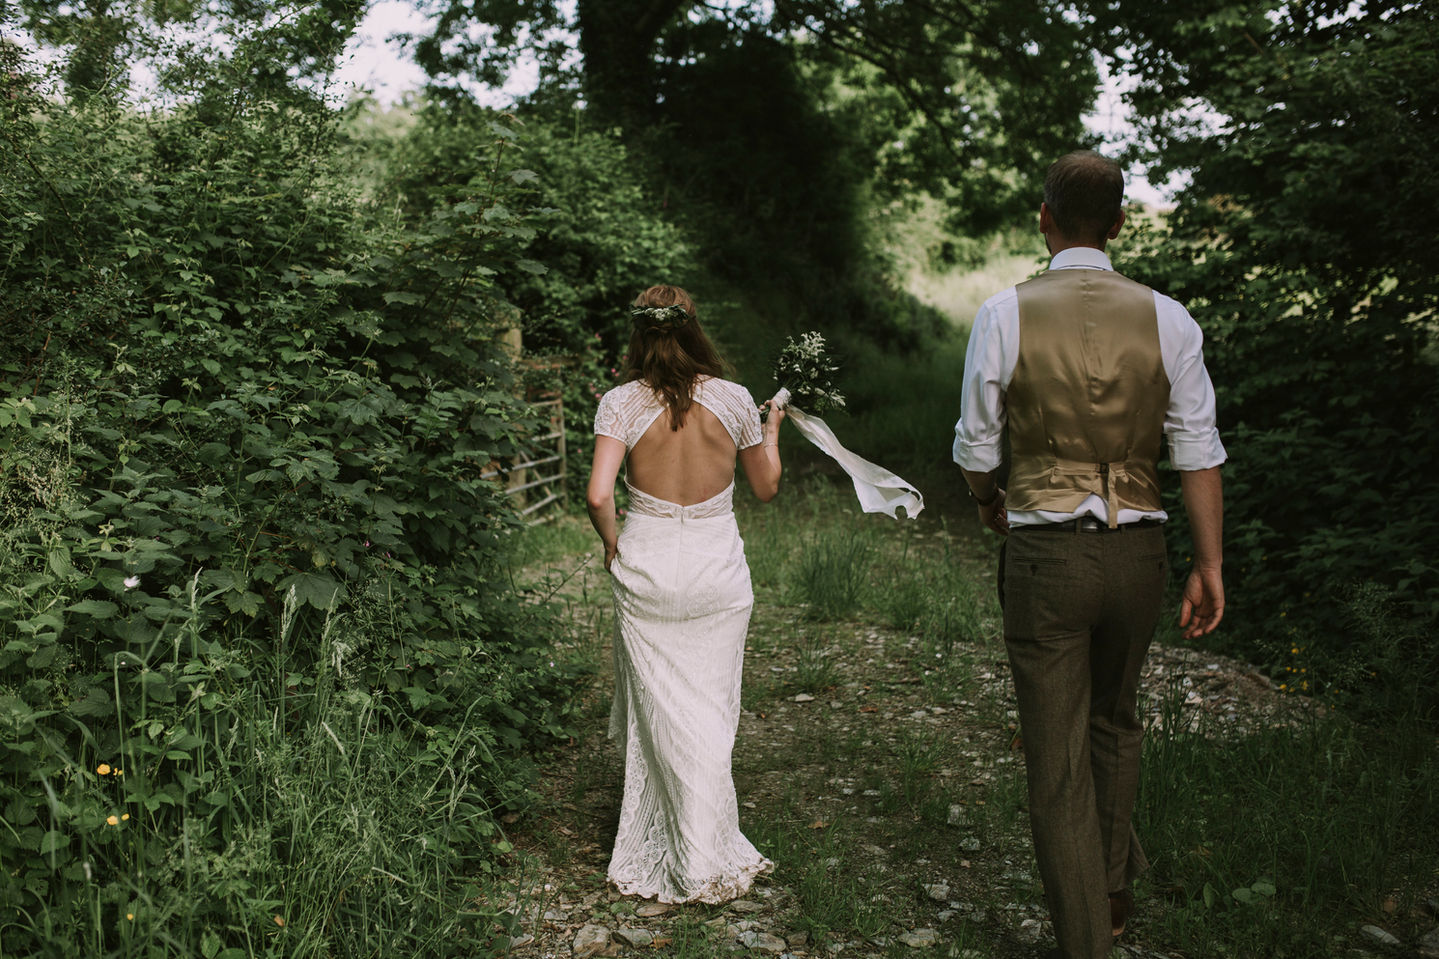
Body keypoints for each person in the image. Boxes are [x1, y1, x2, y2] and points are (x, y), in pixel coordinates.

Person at [952, 151, 1227, 959]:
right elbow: (1196, 450)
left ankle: (1085, 944)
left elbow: (975, 444)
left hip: (1046, 558)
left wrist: (985, 500)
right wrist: (1207, 564)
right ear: (1116, 224)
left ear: (1044, 217)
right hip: (1138, 553)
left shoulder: (1003, 313)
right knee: (1115, 723)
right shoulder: (1168, 317)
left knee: (1057, 759)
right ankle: (1109, 895)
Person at [587, 284, 785, 903]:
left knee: (662, 709)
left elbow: (598, 495)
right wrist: (771, 430)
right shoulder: (733, 400)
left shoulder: (620, 404)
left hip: (648, 567)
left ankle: (680, 844)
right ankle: (702, 852)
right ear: (694, 330)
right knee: (708, 709)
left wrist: (613, 542)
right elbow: (766, 488)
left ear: (639, 334)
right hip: (714, 570)